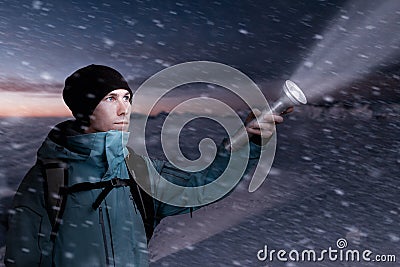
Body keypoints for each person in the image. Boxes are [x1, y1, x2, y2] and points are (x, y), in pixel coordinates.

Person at [4, 64, 288, 266]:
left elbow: (201, 186)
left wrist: (245, 143)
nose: (124, 108)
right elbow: (24, 258)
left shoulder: (135, 169)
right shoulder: (47, 180)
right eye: (110, 98)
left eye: (126, 97)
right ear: (84, 109)